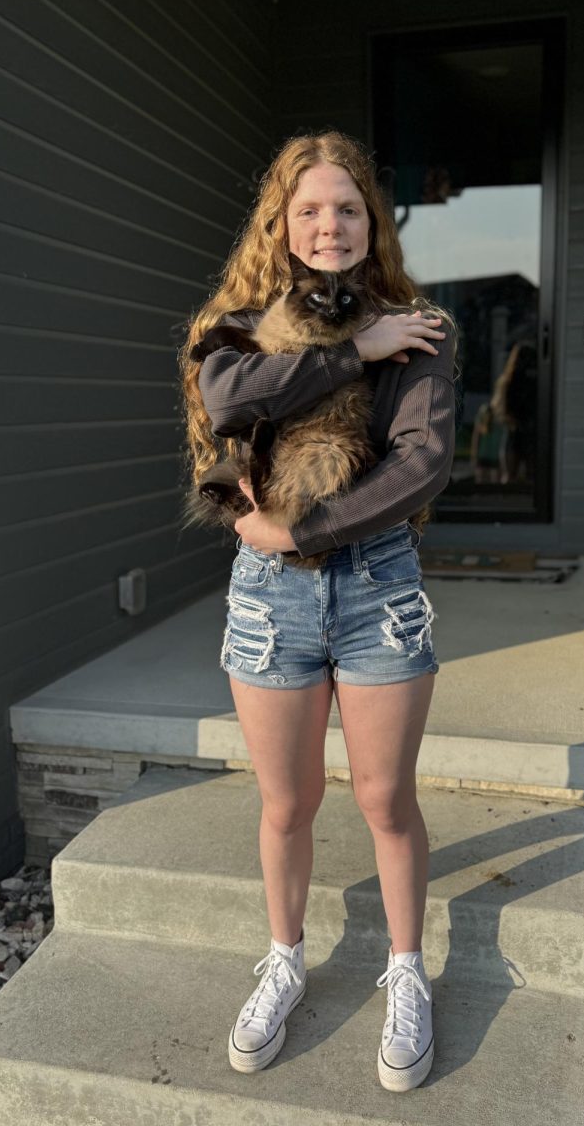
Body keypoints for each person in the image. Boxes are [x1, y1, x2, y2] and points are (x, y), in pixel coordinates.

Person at [180, 131, 456, 1092]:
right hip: (270, 605)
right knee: (287, 803)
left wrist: (303, 532)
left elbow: (421, 462)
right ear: (283, 227)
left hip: (377, 586)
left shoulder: (419, 326)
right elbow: (227, 399)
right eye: (309, 211)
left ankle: (406, 971)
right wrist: (352, 350)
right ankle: (286, 959)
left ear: (369, 221)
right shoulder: (244, 322)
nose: (329, 226)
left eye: (346, 208)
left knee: (384, 799)